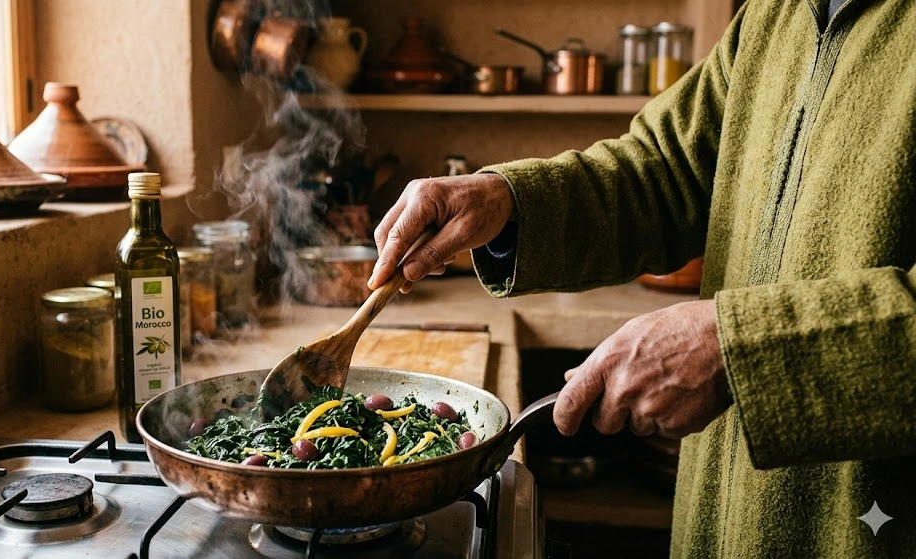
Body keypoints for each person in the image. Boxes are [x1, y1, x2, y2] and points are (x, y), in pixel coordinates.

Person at [368, 1, 915, 557]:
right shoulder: (776, 12)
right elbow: (664, 171)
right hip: (725, 516)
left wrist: (743, 349)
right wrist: (507, 201)